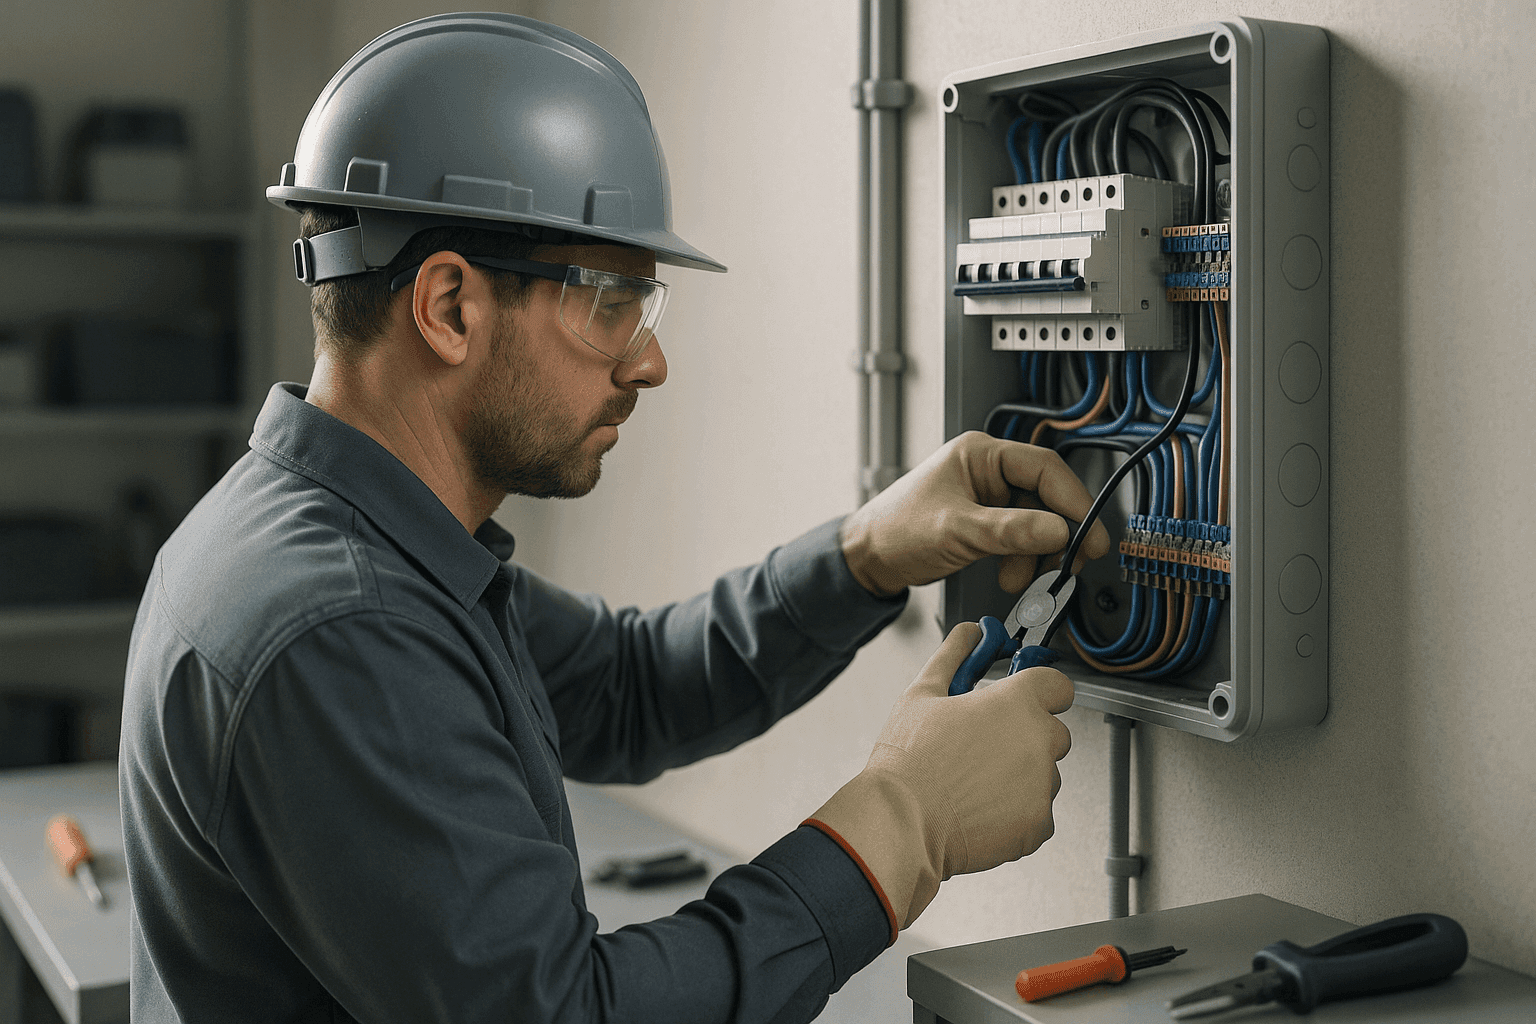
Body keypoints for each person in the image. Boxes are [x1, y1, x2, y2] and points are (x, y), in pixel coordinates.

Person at [119, 13, 1109, 1024]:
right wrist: (906, 822)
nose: (647, 360)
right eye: (609, 304)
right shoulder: (337, 623)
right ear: (450, 306)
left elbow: (625, 688)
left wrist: (864, 555)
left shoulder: (364, 542)